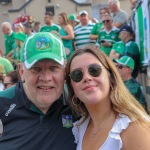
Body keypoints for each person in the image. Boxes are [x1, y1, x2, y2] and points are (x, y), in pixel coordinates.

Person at [0, 32, 76, 149]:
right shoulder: (2, 103)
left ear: (64, 71)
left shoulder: (78, 102)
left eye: (54, 68)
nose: (46, 78)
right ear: (21, 71)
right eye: (36, 68)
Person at [66, 45, 150, 150]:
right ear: (72, 87)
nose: (87, 77)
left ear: (111, 77)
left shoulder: (135, 128)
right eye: (77, 74)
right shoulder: (80, 127)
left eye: (94, 70)